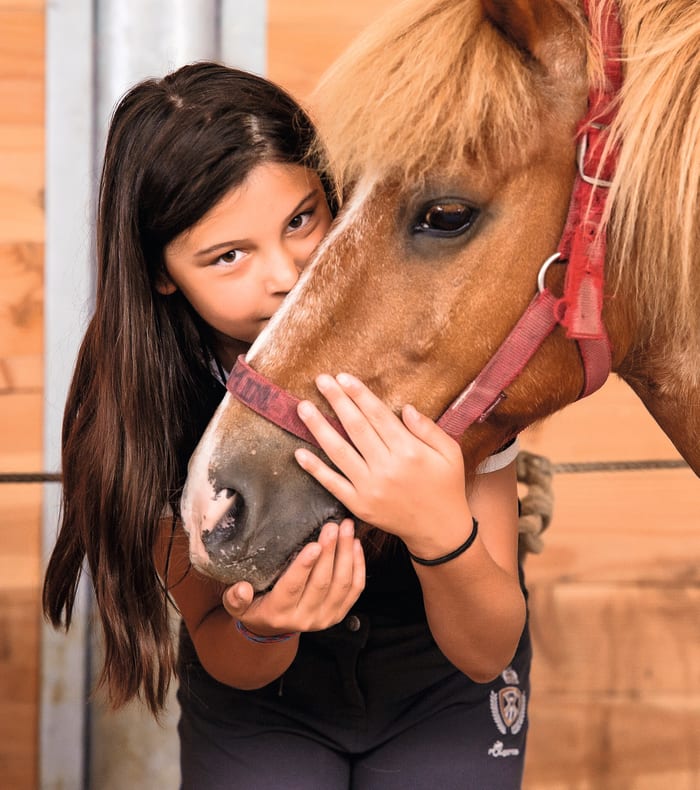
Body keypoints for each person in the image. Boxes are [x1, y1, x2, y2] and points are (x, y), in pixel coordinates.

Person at [42, 62, 531, 789]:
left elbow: (489, 649)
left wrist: (437, 531)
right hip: (262, 704)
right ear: (161, 271)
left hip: (443, 688)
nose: (287, 274)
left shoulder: (430, 351)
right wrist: (264, 625)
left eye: (302, 219)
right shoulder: (143, 404)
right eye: (229, 256)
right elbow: (225, 648)